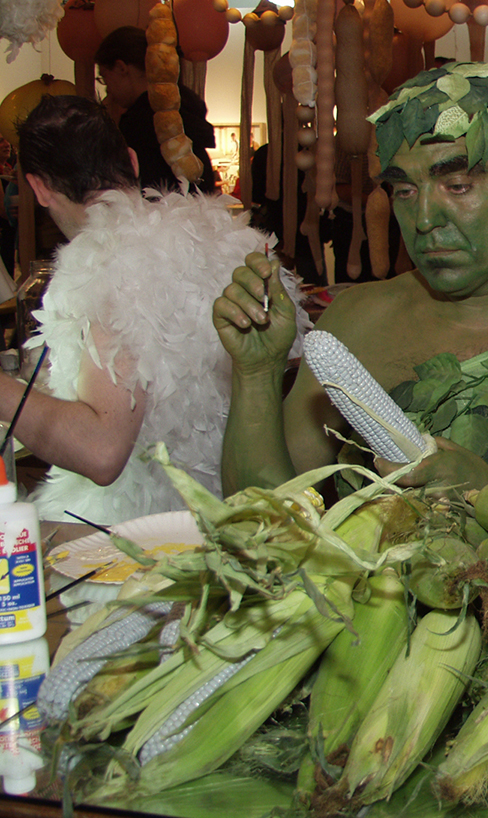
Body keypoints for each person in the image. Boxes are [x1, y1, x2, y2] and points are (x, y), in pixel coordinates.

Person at [213, 63, 488, 566]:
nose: (425, 219)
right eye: (405, 191)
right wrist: (255, 372)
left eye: (457, 185)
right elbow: (270, 524)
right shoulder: (355, 320)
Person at [7, 95, 305, 524]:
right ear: (131, 161)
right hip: (240, 512)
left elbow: (102, 451)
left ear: (37, 187)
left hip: (142, 542)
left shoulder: (98, 265)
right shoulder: (224, 237)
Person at [95, 25, 219, 195]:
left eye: (104, 77)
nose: (107, 89)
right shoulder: (186, 108)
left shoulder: (139, 122)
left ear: (121, 67)